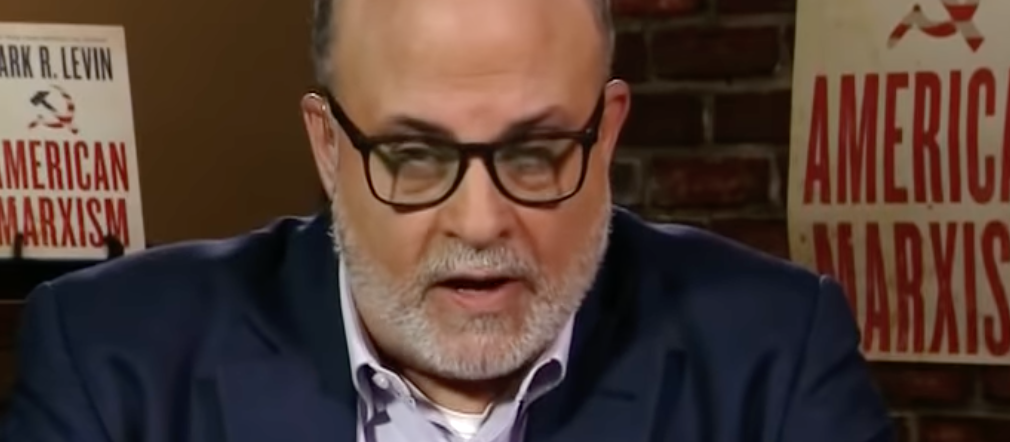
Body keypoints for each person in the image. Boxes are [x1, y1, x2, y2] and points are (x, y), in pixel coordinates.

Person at [0, 0, 895, 440]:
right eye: (415, 155)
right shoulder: (112, 364)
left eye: (536, 151)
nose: (480, 219)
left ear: (608, 133)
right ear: (328, 147)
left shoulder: (774, 359)